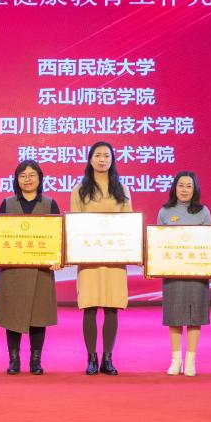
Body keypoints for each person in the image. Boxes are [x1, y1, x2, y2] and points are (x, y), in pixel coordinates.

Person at [71, 141, 132, 376]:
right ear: (90, 159)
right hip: (89, 258)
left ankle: (108, 357)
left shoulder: (122, 189)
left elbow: (128, 224)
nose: (102, 159)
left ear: (112, 159)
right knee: (89, 306)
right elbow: (75, 226)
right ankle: (91, 358)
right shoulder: (79, 190)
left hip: (115, 257)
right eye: (97, 155)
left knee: (111, 307)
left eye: (106, 155)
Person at [0, 159, 60, 375]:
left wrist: (57, 258)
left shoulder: (50, 204)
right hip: (13, 271)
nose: (28, 179)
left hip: (41, 270)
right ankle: (14, 360)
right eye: (22, 176)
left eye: (32, 175)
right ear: (16, 180)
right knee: (12, 315)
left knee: (39, 315)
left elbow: (58, 236)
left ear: (40, 179)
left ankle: (35, 360)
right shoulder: (7, 204)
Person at [158, 171, 211, 377]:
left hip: (197, 273)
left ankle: (190, 360)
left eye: (189, 186)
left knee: (194, 316)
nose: (184, 190)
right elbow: (158, 243)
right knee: (174, 315)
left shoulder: (203, 212)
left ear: (195, 189)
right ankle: (176, 360)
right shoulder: (164, 212)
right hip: (172, 272)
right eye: (181, 185)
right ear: (174, 187)